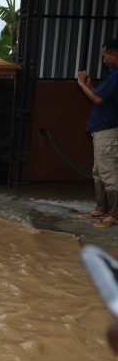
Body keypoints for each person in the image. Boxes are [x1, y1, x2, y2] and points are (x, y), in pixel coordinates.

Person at [78, 39, 118, 227]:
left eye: (105, 56)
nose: (104, 61)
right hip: (101, 129)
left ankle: (115, 214)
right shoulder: (112, 75)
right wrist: (90, 86)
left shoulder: (117, 75)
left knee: (109, 173)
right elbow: (101, 96)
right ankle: (102, 208)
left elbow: (98, 100)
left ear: (115, 54)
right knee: (98, 171)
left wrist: (82, 85)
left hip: (108, 131)